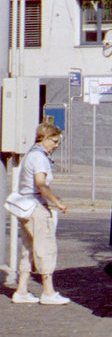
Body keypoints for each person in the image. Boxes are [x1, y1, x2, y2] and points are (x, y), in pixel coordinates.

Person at [11, 119, 70, 305]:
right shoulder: (39, 157)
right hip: (36, 207)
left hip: (25, 206)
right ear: (44, 138)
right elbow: (41, 184)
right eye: (54, 141)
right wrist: (57, 202)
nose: (56, 145)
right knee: (46, 248)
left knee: (28, 248)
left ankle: (21, 290)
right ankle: (48, 291)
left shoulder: (31, 154)